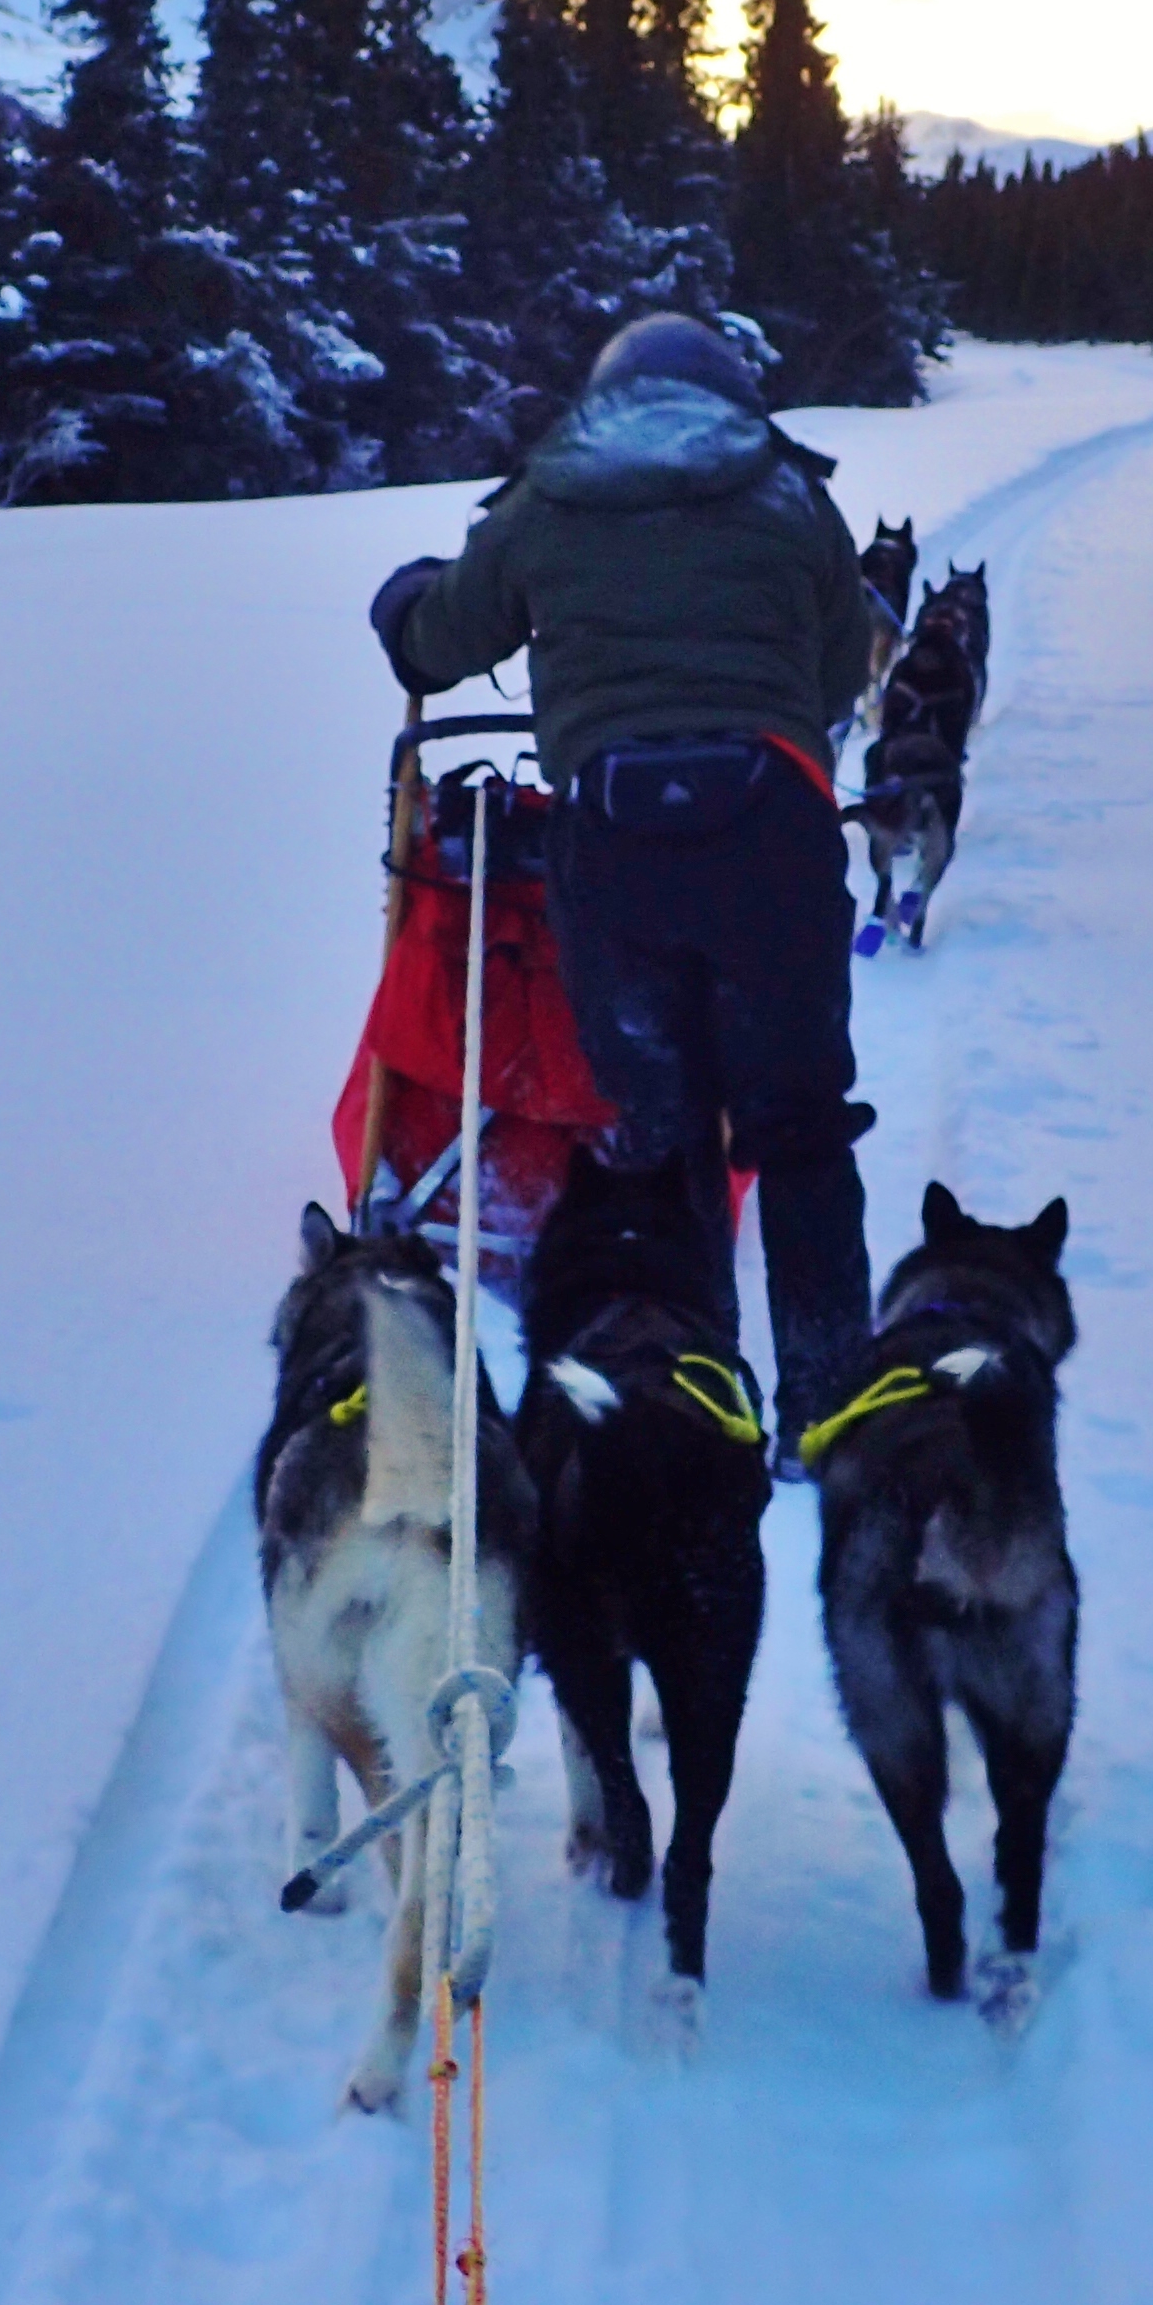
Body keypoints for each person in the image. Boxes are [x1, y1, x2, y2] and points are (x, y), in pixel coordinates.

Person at [370, 313, 874, 1467]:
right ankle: (826, 1401)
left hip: (616, 841)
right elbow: (842, 668)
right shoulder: (792, 498)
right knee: (799, 1127)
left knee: (661, 1129)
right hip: (773, 834)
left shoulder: (548, 499)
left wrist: (408, 602)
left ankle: (695, 1385)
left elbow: (438, 644)